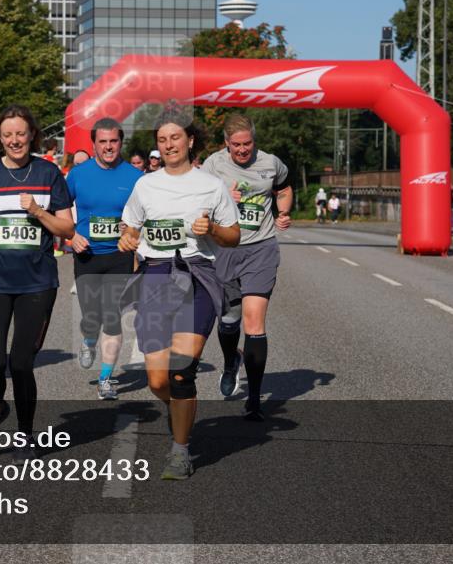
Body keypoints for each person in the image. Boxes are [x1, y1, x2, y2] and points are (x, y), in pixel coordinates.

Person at [118, 111, 240, 480]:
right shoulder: (145, 185)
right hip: (156, 277)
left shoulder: (211, 186)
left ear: (190, 140)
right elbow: (130, 226)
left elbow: (233, 236)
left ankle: (180, 450)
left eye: (175, 137)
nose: (169, 145)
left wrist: (212, 228)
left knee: (182, 372)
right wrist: (127, 238)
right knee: (158, 381)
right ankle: (180, 411)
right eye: (162, 139)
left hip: (197, 276)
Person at [0, 105, 74, 460]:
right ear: (0, 137)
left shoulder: (48, 172)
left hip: (37, 283)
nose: (14, 140)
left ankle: (25, 434)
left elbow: (67, 227)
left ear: (32, 135)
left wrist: (38, 212)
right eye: (8, 134)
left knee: (22, 363)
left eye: (20, 134)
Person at [201, 114, 292, 421]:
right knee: (229, 322)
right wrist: (221, 198)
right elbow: (197, 205)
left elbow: (284, 188)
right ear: (226, 143)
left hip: (261, 249)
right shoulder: (213, 165)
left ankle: (254, 400)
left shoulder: (271, 163)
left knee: (254, 323)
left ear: (254, 140)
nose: (242, 150)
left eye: (248, 144)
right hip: (225, 249)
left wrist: (283, 212)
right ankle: (231, 362)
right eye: (236, 145)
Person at [66, 118, 143, 399]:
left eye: (113, 141)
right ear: (94, 145)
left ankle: (105, 379)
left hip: (119, 255)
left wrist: (132, 229)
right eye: (103, 142)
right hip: (87, 254)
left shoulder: (135, 177)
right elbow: (60, 209)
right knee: (91, 315)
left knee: (112, 316)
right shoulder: (77, 174)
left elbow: (146, 215)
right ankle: (89, 339)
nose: (108, 147)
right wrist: (71, 236)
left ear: (121, 142)